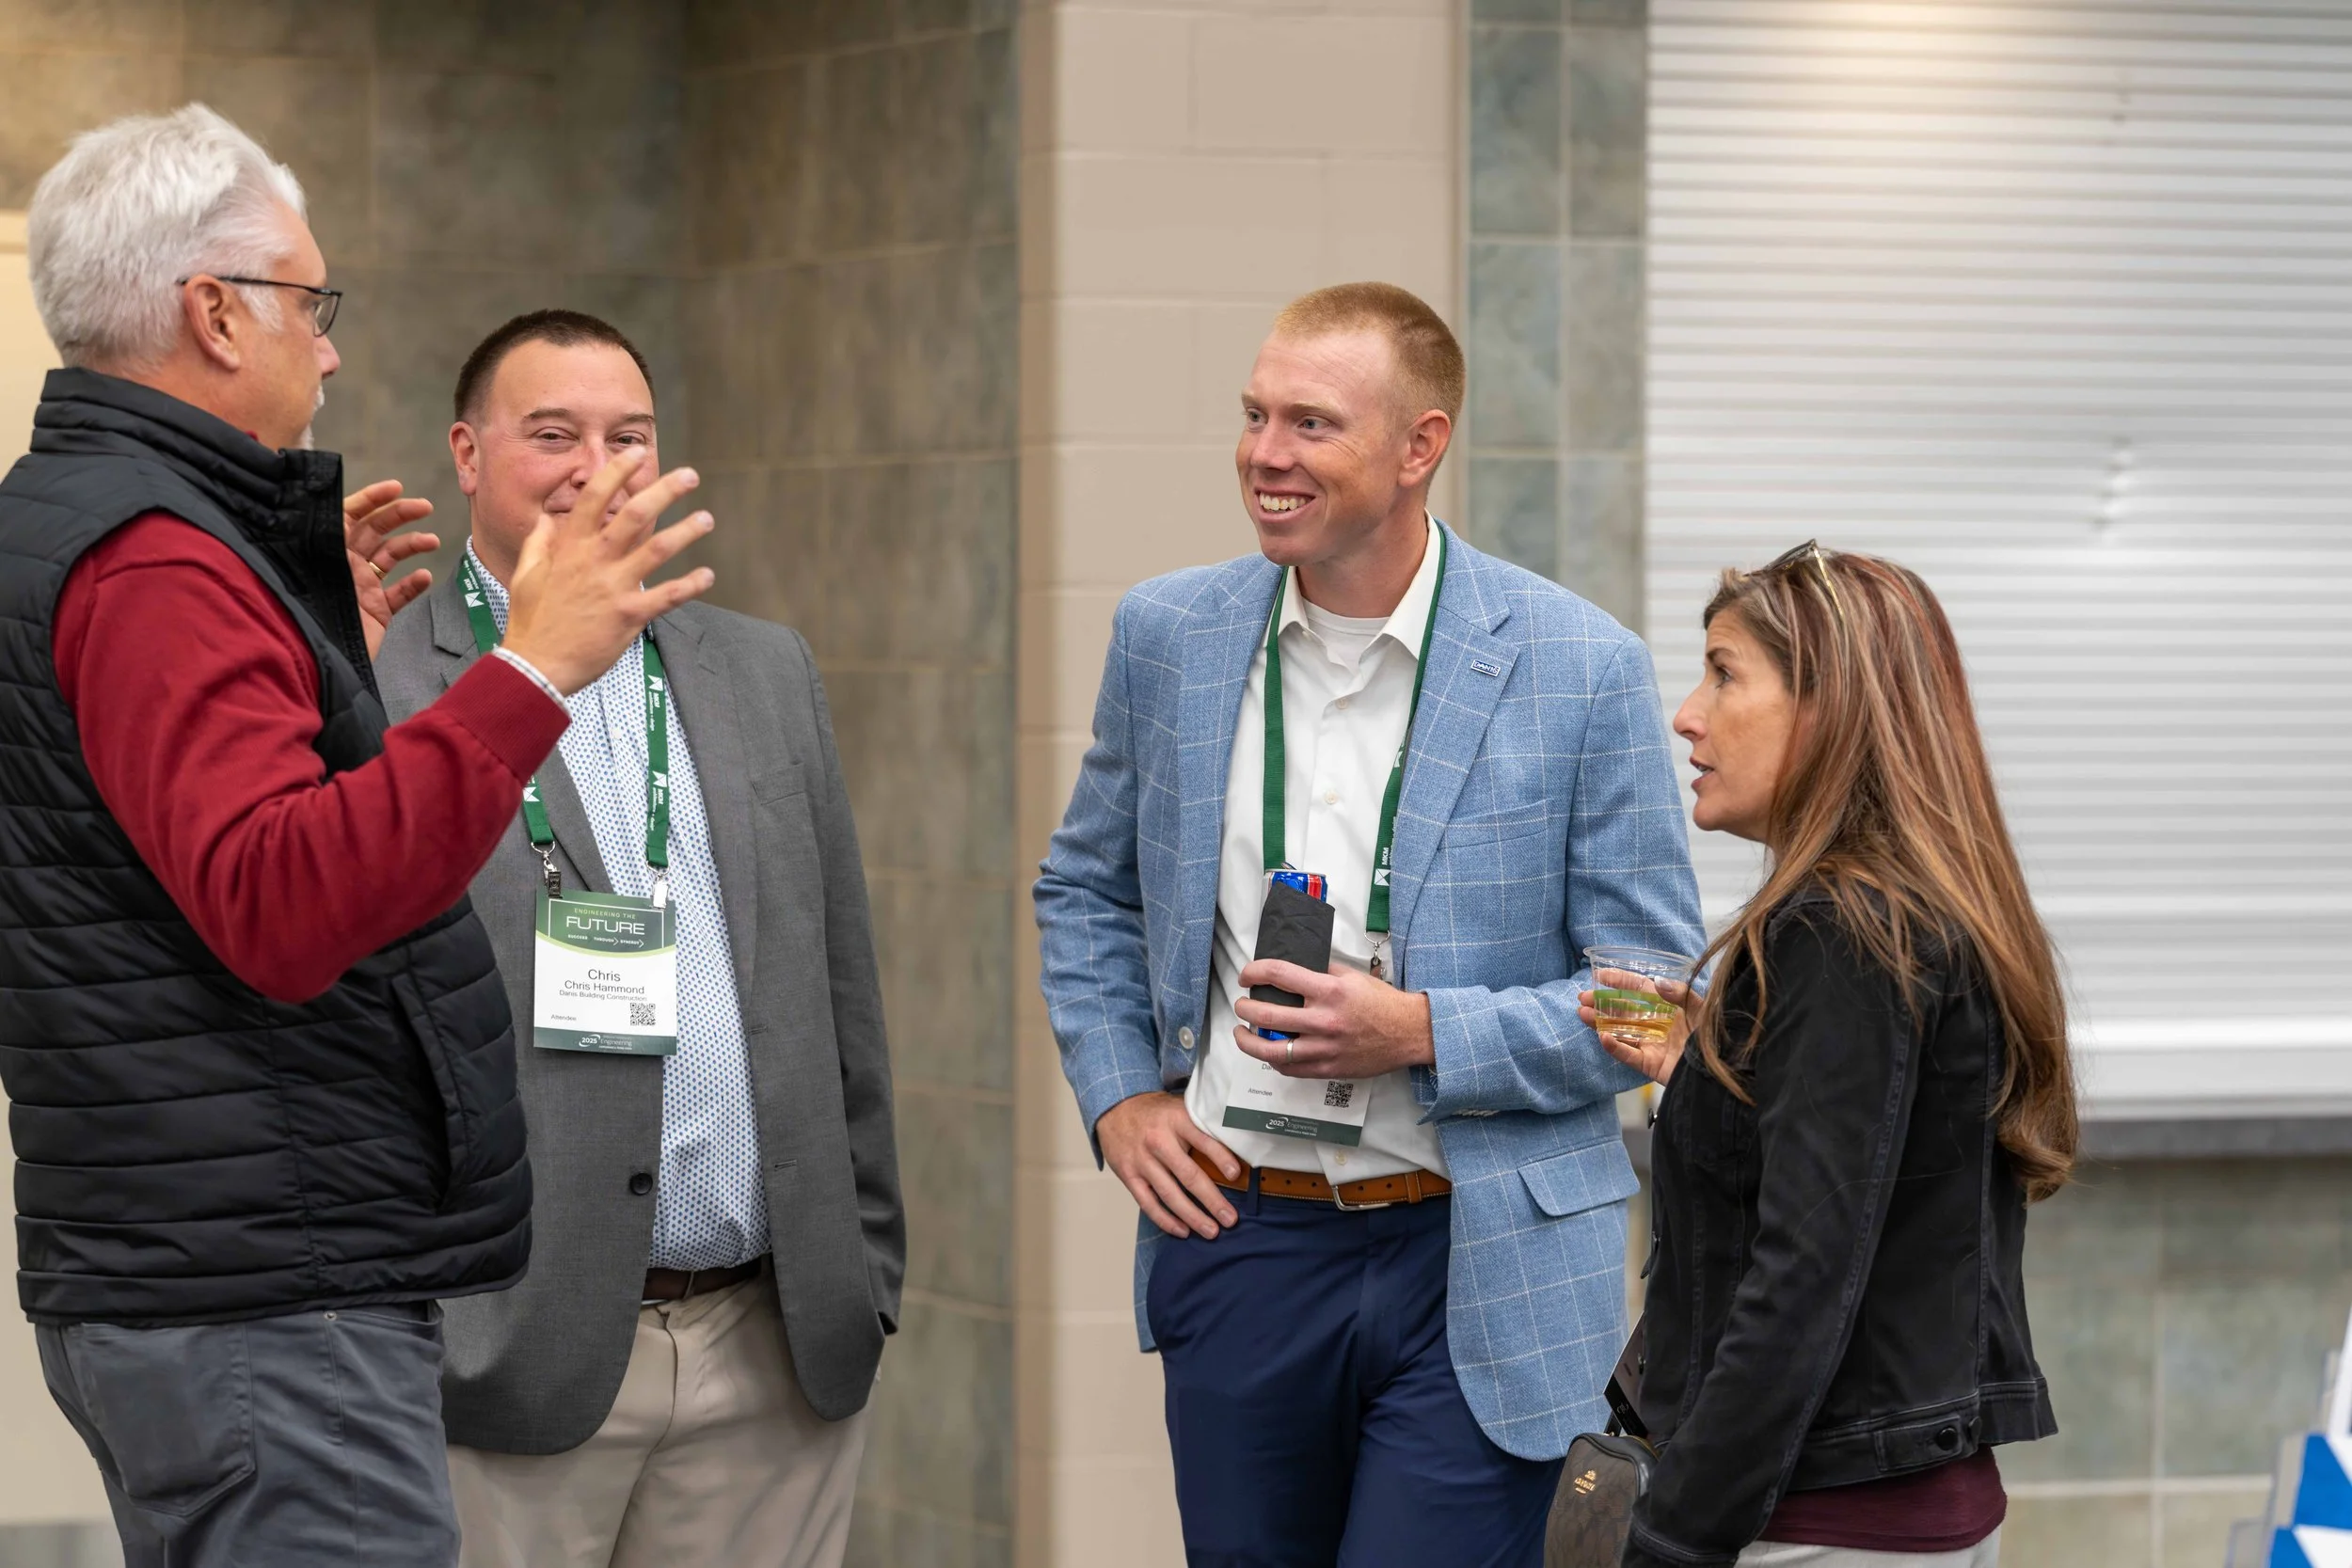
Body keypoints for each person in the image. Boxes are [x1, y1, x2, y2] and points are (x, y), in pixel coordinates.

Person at [0, 106, 714, 1568]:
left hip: (223, 1267)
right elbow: (282, 900)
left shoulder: (113, 527)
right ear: (212, 311)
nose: (328, 350)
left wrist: (323, 658)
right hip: (266, 1289)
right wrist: (530, 672)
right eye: (308, 304)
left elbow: (179, 845)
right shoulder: (151, 558)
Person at [1033, 281, 1704, 1567]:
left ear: (1419, 445)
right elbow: (1084, 890)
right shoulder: (1168, 634)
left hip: (1482, 1251)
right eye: (1253, 415)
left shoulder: (1579, 662)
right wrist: (1120, 1093)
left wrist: (1424, 1030)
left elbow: (1650, 998)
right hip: (1244, 1233)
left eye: (1311, 424)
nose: (1265, 455)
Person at [373, 309, 901, 1568]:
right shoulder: (385, 679)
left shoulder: (764, 670)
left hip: (769, 1350)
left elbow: (844, 996)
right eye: (552, 433)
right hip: (507, 1359)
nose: (592, 466)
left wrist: (863, 1265)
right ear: (467, 451)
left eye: (627, 436)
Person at [1595, 542, 2074, 1568]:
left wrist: (1671, 1538)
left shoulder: (1839, 930)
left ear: (1829, 707)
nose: (1687, 711)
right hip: (1894, 1511)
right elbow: (1873, 1184)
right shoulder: (1908, 911)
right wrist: (1708, 1078)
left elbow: (1802, 1275)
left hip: (1820, 1527)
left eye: (1724, 671)